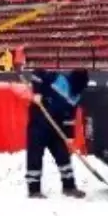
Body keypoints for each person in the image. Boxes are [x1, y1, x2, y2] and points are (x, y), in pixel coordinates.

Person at [24, 68, 89, 199]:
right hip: (39, 123)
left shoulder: (76, 94)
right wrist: (37, 93)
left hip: (56, 128)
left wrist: (69, 138)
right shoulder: (58, 78)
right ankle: (34, 190)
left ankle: (69, 187)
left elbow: (70, 117)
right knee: (35, 158)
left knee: (63, 157)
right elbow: (37, 73)